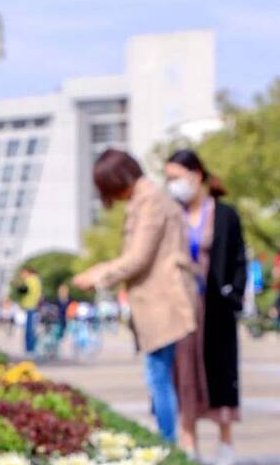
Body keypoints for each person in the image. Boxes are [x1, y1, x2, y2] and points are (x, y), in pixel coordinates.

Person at [74, 148, 196, 442]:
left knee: (158, 375)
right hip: (158, 301)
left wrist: (98, 275)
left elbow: (138, 257)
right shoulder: (147, 199)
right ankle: (167, 441)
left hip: (162, 302)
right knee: (160, 374)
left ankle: (169, 446)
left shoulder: (150, 201)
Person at [165, 151, 246, 465]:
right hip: (182, 307)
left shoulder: (225, 214)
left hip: (216, 306)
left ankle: (225, 441)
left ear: (196, 174)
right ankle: (188, 440)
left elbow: (239, 259)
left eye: (176, 177)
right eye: (168, 178)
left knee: (220, 370)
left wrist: (233, 295)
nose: (172, 184)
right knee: (183, 371)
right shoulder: (174, 214)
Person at [15, 266, 42, 355]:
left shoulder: (32, 280)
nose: (22, 275)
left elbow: (24, 290)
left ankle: (30, 349)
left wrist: (17, 285)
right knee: (29, 329)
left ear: (27, 272)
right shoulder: (36, 280)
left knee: (29, 330)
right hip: (31, 307)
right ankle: (30, 348)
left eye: (23, 273)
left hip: (31, 307)